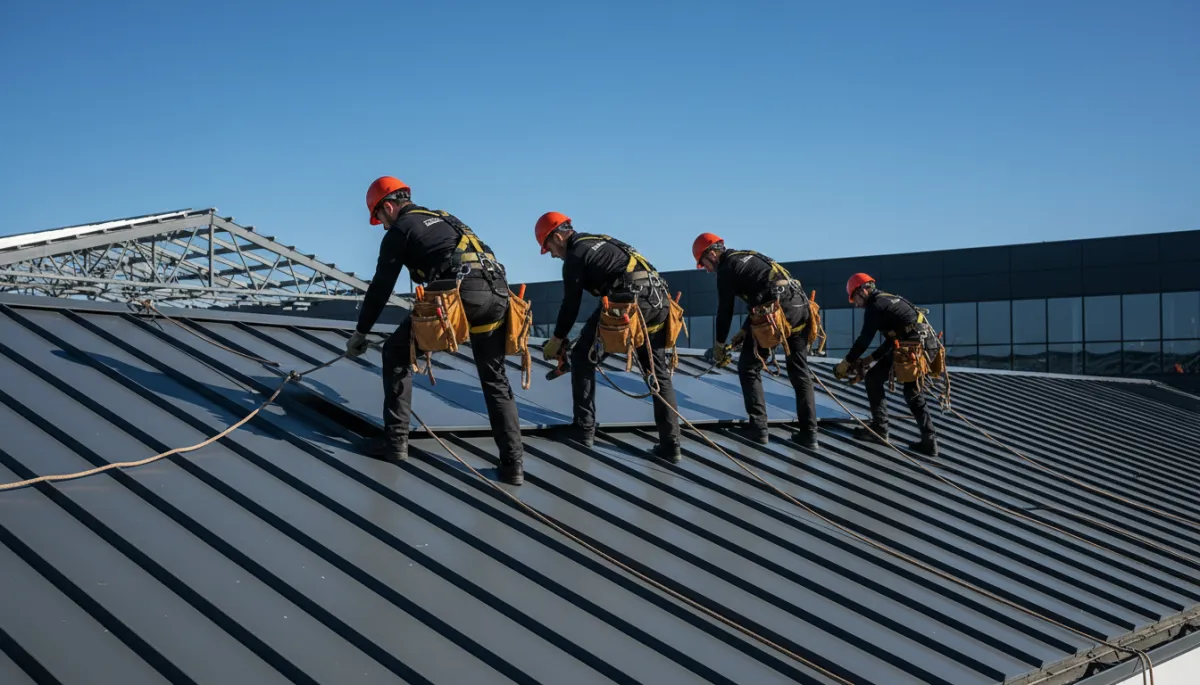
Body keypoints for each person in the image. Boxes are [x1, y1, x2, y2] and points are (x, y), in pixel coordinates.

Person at [345, 176, 525, 485]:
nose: (384, 226)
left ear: (388, 207)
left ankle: (395, 442)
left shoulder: (400, 229)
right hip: (498, 294)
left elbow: (380, 288)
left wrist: (360, 334)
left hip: (460, 292)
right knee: (494, 379)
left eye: (381, 218)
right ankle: (513, 466)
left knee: (396, 352)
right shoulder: (445, 217)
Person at [535, 211, 682, 462]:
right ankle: (671, 445)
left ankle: (583, 429)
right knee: (657, 374)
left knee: (582, 355)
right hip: (659, 302)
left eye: (548, 247)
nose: (551, 254)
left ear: (557, 237)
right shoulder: (598, 241)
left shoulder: (575, 255)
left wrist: (557, 340)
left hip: (629, 301)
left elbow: (571, 303)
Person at [692, 233, 819, 448]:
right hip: (800, 308)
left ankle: (758, 428)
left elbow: (725, 310)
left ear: (711, 254)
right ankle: (810, 434)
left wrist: (719, 345)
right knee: (799, 372)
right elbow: (761, 295)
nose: (706, 269)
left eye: (703, 263)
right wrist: (745, 331)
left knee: (749, 367)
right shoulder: (747, 257)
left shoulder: (726, 268)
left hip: (777, 312)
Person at [836, 273, 938, 456]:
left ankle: (880, 429)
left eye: (855, 299)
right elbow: (892, 341)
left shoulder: (875, 306)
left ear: (863, 291)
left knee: (874, 380)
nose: (857, 305)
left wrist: (846, 362)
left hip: (913, 347)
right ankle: (929, 441)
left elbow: (864, 339)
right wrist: (869, 360)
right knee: (911, 392)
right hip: (923, 345)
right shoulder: (889, 300)